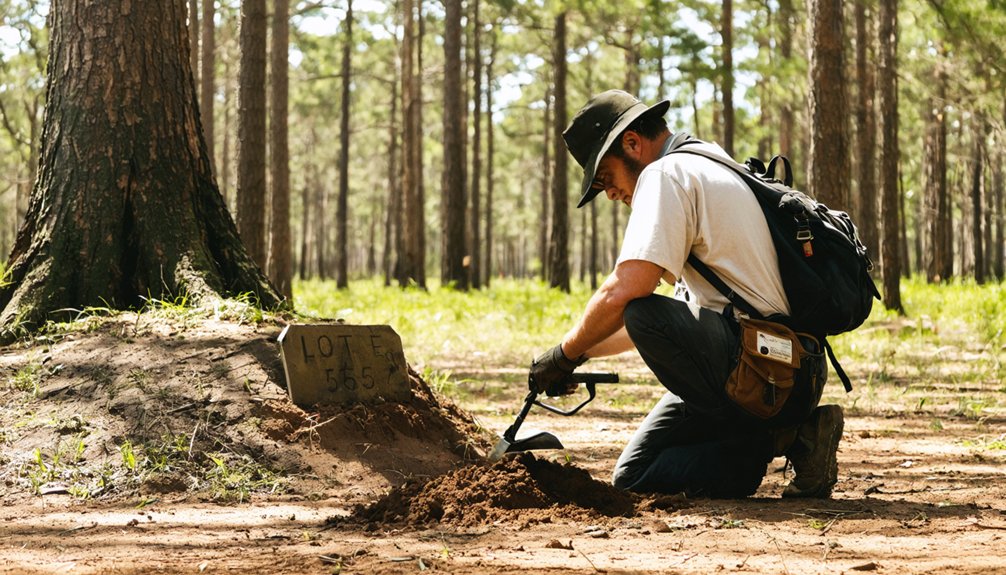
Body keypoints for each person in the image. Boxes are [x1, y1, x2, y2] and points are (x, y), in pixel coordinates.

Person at [528, 89, 844, 498]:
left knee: (643, 312)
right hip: (781, 370)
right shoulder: (703, 161)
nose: (610, 193)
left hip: (771, 374)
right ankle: (771, 446)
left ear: (632, 143)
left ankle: (789, 435)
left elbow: (628, 292)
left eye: (606, 178)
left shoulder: (665, 175)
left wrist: (562, 353)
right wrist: (579, 354)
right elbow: (667, 317)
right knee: (635, 476)